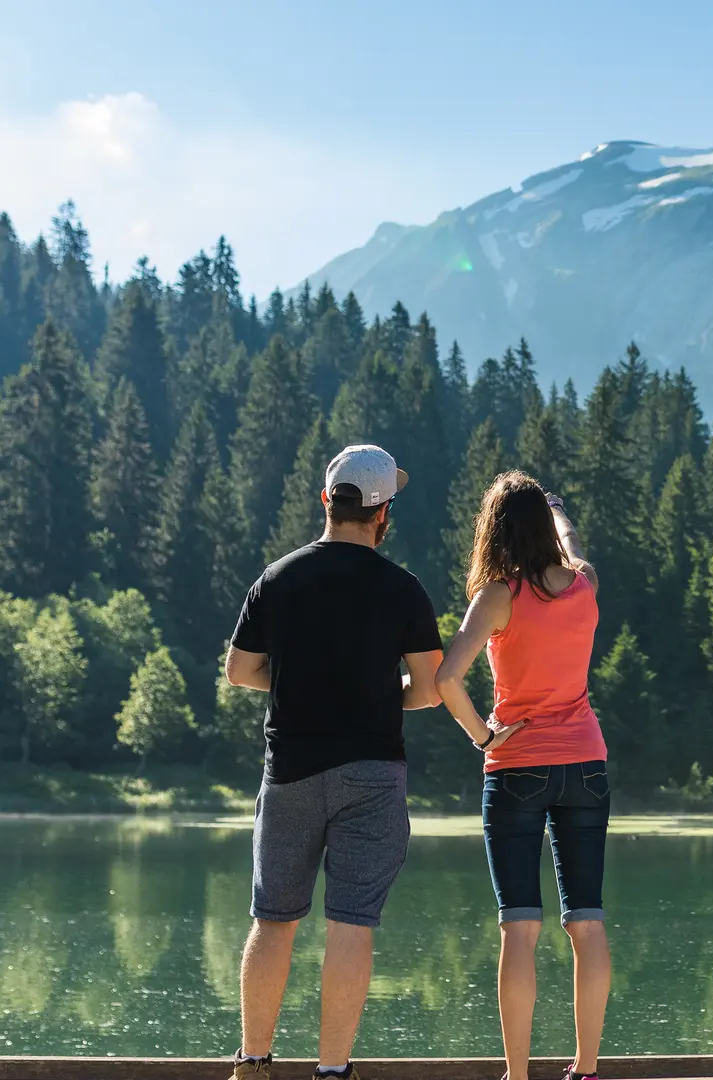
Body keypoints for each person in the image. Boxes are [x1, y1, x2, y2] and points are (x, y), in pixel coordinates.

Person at [222, 444, 472, 1080]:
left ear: (327, 501)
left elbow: (239, 671)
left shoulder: (277, 579)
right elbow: (431, 686)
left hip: (291, 774)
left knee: (273, 919)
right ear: (383, 514)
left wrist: (297, 681)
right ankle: (332, 1073)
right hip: (372, 774)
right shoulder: (404, 590)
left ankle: (253, 1065)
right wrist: (382, 692)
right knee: (352, 923)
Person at [436, 470, 611, 1080]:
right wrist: (558, 510)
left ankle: (518, 1075)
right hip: (586, 763)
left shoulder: (497, 595)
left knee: (520, 927)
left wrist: (483, 735)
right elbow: (571, 545)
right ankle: (586, 1069)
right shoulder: (583, 585)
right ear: (546, 527)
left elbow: (445, 680)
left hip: (515, 767)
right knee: (586, 921)